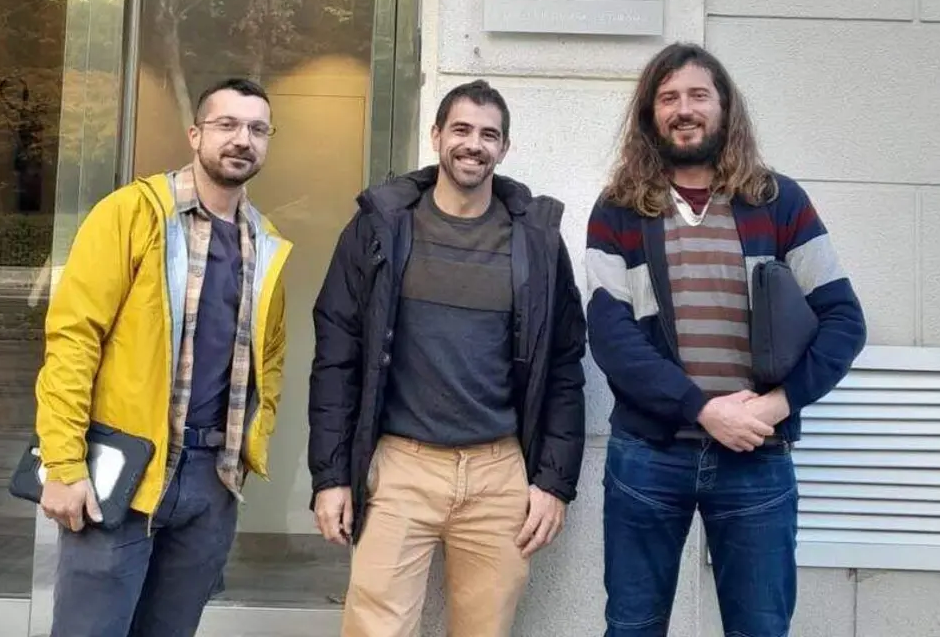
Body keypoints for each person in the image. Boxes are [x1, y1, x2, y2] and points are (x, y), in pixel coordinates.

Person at [585, 43, 867, 636]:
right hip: (647, 457)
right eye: (667, 98)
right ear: (649, 116)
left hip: (756, 458)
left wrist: (775, 405)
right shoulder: (618, 211)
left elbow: (844, 321)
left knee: (760, 629)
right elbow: (611, 338)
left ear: (724, 108)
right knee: (631, 626)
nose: (683, 110)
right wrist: (702, 410)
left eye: (697, 95)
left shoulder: (778, 202)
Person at [307, 79, 587, 637]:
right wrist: (331, 475)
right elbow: (338, 353)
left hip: (498, 472)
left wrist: (553, 483)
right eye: (461, 129)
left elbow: (563, 365)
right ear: (436, 136)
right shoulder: (380, 227)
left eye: (489, 134)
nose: (473, 144)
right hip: (401, 467)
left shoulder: (536, 241)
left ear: (504, 148)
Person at [34, 77, 292, 637]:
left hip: (210, 480)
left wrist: (248, 448)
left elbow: (269, 358)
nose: (241, 139)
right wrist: (62, 462)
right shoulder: (133, 213)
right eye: (226, 125)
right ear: (196, 134)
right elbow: (74, 338)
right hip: (124, 469)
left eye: (256, 129)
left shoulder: (264, 240)